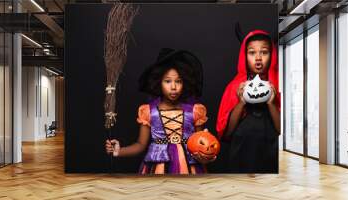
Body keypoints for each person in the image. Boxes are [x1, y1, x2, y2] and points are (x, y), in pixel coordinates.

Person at [105, 48, 215, 174]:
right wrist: (119, 151)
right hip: (158, 168)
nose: (173, 87)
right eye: (167, 81)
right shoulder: (148, 112)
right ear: (159, 82)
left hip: (190, 168)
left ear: (185, 83)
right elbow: (141, 145)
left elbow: (201, 144)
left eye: (178, 81)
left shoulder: (195, 112)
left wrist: (206, 155)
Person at [216, 30, 281, 173]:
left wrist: (271, 103)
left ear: (272, 55)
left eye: (264, 52)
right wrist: (241, 102)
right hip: (241, 150)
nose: (258, 58)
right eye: (252, 53)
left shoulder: (279, 83)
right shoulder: (235, 86)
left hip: (271, 151)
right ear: (244, 56)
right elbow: (227, 133)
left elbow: (281, 130)